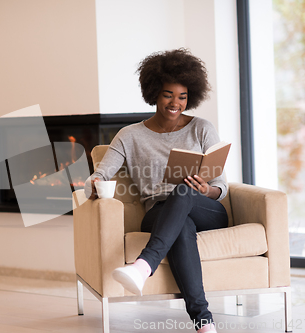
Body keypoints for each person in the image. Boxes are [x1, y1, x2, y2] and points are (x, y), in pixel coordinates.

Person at [84, 48, 228, 333]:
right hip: (158, 213)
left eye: (183, 97)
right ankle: (204, 323)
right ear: (154, 93)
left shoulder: (202, 129)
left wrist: (207, 190)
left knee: (185, 191)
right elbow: (102, 171)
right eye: (168, 95)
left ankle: (143, 266)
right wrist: (93, 182)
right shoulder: (129, 135)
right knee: (181, 225)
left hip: (205, 208)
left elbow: (221, 186)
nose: (176, 103)